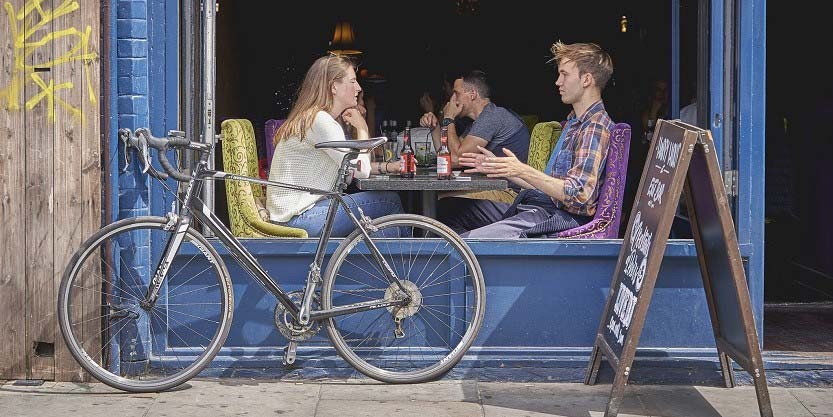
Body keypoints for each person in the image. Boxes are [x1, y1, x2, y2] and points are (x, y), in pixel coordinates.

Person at [458, 41, 615, 238]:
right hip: (541, 207)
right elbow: (550, 188)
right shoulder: (575, 123)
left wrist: (523, 169)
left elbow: (581, 195)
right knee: (455, 211)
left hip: (554, 219)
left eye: (564, 74)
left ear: (586, 79)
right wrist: (499, 167)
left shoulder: (594, 127)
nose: (558, 82)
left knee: (460, 245)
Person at [267, 54, 404, 237]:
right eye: (353, 81)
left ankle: (376, 263)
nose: (358, 88)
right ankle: (408, 260)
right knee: (391, 201)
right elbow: (360, 170)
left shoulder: (315, 117)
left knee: (385, 225)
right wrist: (362, 128)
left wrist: (385, 167)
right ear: (333, 87)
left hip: (295, 215)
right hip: (299, 219)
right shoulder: (320, 120)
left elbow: (348, 167)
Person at [420, 70, 531, 232]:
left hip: (510, 195)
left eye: (456, 94)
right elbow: (449, 159)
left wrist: (448, 118)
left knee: (445, 205)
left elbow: (457, 158)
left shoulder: (493, 116)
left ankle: (451, 252)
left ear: (472, 94)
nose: (452, 100)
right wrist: (435, 128)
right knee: (440, 196)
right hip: (495, 188)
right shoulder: (477, 123)